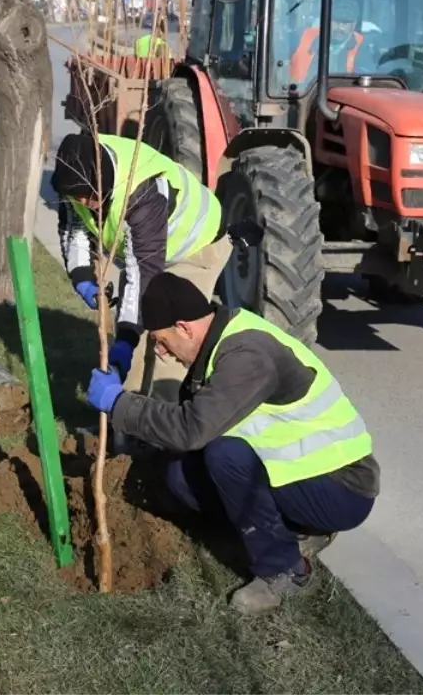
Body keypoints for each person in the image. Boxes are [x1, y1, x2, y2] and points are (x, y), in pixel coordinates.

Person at [84, 272, 380, 616]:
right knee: (180, 474)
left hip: (341, 487)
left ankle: (286, 571)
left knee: (225, 454)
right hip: (303, 475)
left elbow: (190, 429)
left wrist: (119, 404)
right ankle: (293, 528)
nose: (162, 353)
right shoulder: (218, 343)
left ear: (184, 327)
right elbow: (187, 428)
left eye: (162, 341)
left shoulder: (246, 355)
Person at [52, 132, 228, 404]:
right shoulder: (74, 174)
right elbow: (74, 232)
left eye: (92, 194)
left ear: (106, 177)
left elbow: (142, 273)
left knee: (170, 336)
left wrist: (126, 339)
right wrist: (84, 281)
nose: (87, 202)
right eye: (80, 196)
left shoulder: (140, 189)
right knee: (134, 328)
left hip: (195, 244)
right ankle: (126, 420)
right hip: (148, 247)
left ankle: (163, 424)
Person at [289, 0, 371, 83]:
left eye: (345, 23)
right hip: (305, 93)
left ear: (354, 24)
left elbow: (367, 78)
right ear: (327, 20)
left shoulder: (363, 46)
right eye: (336, 22)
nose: (340, 28)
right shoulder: (301, 37)